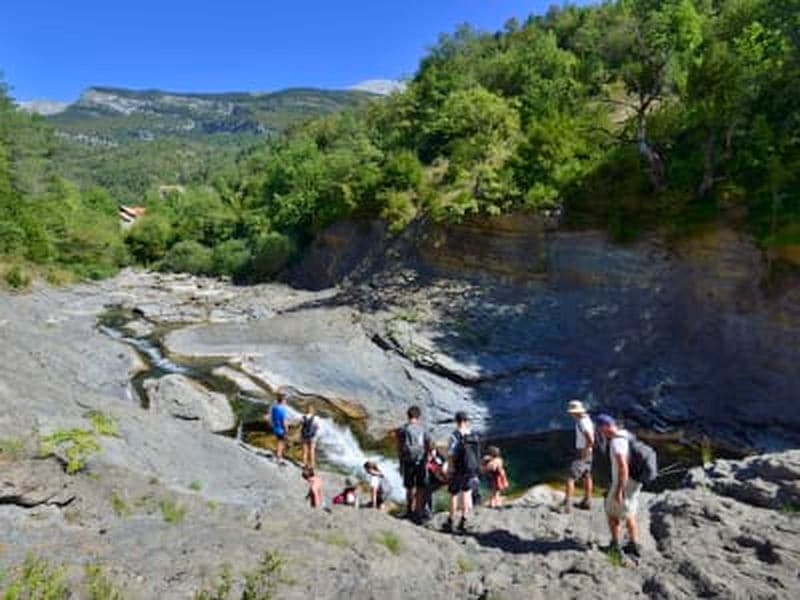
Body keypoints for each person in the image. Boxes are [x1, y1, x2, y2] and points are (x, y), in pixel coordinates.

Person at [596, 414, 642, 559]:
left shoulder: (616, 443)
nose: (599, 432)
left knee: (611, 512)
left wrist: (619, 490)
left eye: (599, 428)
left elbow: (623, 467)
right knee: (629, 511)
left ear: (605, 427)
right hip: (636, 481)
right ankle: (633, 544)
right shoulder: (626, 434)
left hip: (624, 483)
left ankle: (615, 546)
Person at [445, 411, 481, 533]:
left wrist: (450, 468)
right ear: (466, 421)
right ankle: (464, 519)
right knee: (466, 492)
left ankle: (451, 520)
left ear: (456, 421)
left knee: (453, 494)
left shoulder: (454, 435)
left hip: (458, 468)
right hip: (470, 468)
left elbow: (450, 454)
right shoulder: (473, 434)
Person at [397, 405, 431, 521]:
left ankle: (409, 510)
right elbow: (428, 445)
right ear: (419, 416)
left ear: (408, 415)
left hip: (408, 461)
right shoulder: (423, 429)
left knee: (409, 487)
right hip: (421, 461)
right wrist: (426, 459)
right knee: (420, 487)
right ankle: (419, 511)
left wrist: (400, 464)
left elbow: (400, 448)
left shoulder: (403, 429)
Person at [564, 400, 595, 513]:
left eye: (572, 412)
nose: (571, 414)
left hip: (583, 452)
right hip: (588, 452)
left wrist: (585, 450)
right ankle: (587, 501)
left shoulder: (582, 422)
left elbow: (590, 438)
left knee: (570, 477)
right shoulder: (587, 419)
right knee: (587, 475)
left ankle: (567, 506)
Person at [269, 390, 290, 465]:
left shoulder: (274, 407)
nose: (286, 401)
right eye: (285, 400)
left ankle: (275, 456)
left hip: (275, 427)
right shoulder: (282, 409)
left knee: (278, 442)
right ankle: (279, 459)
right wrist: (286, 429)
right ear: (283, 400)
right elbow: (284, 421)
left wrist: (272, 425)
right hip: (281, 429)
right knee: (281, 444)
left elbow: (271, 417)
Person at [300, 405, 320, 469]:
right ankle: (312, 465)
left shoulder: (303, 417)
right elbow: (318, 427)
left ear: (306, 410)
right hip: (312, 436)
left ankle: (304, 464)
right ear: (313, 411)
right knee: (312, 451)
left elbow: (301, 426)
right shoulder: (316, 418)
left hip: (304, 436)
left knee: (305, 451)